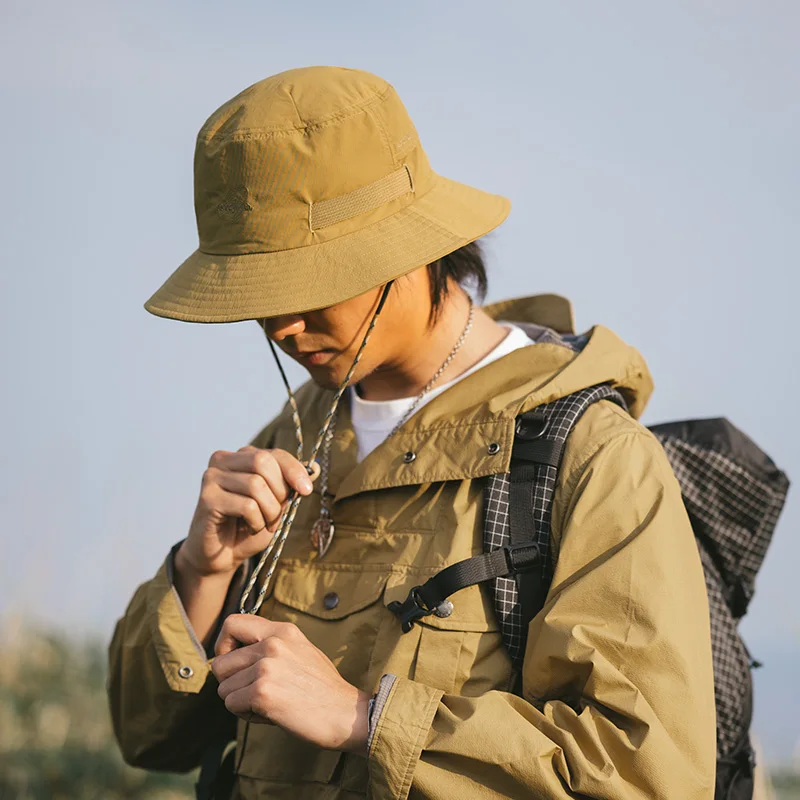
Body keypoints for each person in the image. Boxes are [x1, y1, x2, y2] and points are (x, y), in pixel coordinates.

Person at [108, 66, 717, 798]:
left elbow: (645, 777)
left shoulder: (590, 457)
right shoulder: (295, 434)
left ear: (408, 250)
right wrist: (200, 575)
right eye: (259, 296)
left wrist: (362, 719)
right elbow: (151, 740)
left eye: (306, 285)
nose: (283, 328)